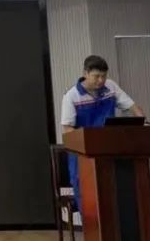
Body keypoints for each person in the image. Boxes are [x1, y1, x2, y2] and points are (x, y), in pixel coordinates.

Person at [60, 55, 145, 207]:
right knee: (87, 197)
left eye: (104, 76)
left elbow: (133, 107)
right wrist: (86, 142)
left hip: (109, 149)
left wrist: (144, 121)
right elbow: (67, 130)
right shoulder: (71, 96)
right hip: (83, 155)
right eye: (96, 76)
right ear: (85, 73)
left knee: (115, 193)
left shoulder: (111, 87)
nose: (101, 80)